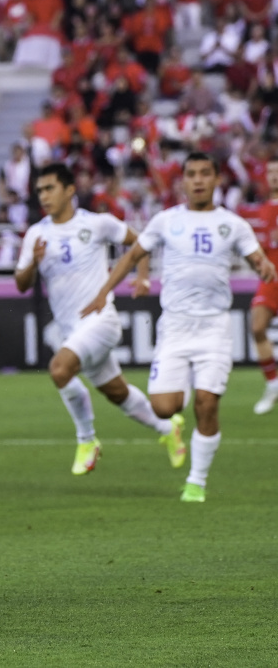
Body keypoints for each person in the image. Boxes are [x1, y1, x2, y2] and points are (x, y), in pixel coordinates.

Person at [82, 152, 276, 503]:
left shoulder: (232, 224)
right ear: (182, 181)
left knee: (207, 403)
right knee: (164, 408)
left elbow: (256, 256)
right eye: (191, 174)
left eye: (205, 173)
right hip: (174, 328)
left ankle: (196, 482)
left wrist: (264, 267)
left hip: (214, 328)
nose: (198, 180)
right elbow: (132, 256)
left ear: (217, 179)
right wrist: (102, 293)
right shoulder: (165, 221)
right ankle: (178, 401)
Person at [15, 163, 186, 476]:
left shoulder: (97, 224)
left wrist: (143, 277)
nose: (44, 196)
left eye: (50, 188)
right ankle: (167, 429)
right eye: (40, 190)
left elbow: (141, 243)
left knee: (59, 369)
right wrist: (33, 264)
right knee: (116, 393)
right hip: (71, 329)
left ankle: (87, 440)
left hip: (101, 320)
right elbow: (21, 284)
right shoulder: (36, 234)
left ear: (69, 190)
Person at [249, 157, 278, 414]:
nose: (273, 176)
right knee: (257, 326)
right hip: (271, 281)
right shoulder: (264, 208)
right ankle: (273, 384)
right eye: (270, 172)